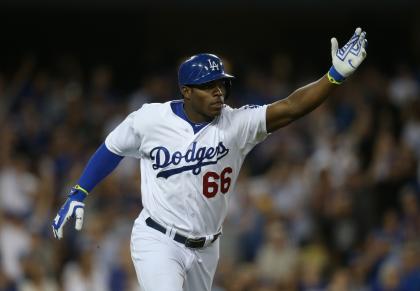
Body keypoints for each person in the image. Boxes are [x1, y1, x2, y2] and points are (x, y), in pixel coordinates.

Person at [52, 27, 368, 291]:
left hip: (207, 249)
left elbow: (290, 106)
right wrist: (79, 192)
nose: (218, 91)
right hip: (158, 238)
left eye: (221, 84)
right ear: (186, 91)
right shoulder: (150, 119)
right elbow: (112, 148)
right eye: (208, 86)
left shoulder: (237, 124)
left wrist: (333, 76)